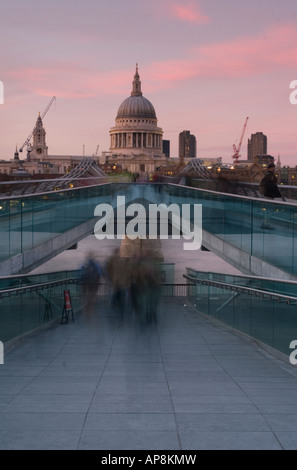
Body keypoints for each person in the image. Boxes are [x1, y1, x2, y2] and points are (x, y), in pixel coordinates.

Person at [259, 163, 285, 229]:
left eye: (274, 167)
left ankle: (265, 223)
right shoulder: (270, 176)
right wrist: (279, 194)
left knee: (267, 210)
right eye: (272, 167)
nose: (273, 168)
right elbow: (272, 186)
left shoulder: (268, 175)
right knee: (269, 211)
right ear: (269, 168)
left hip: (267, 194)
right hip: (269, 195)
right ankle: (266, 224)